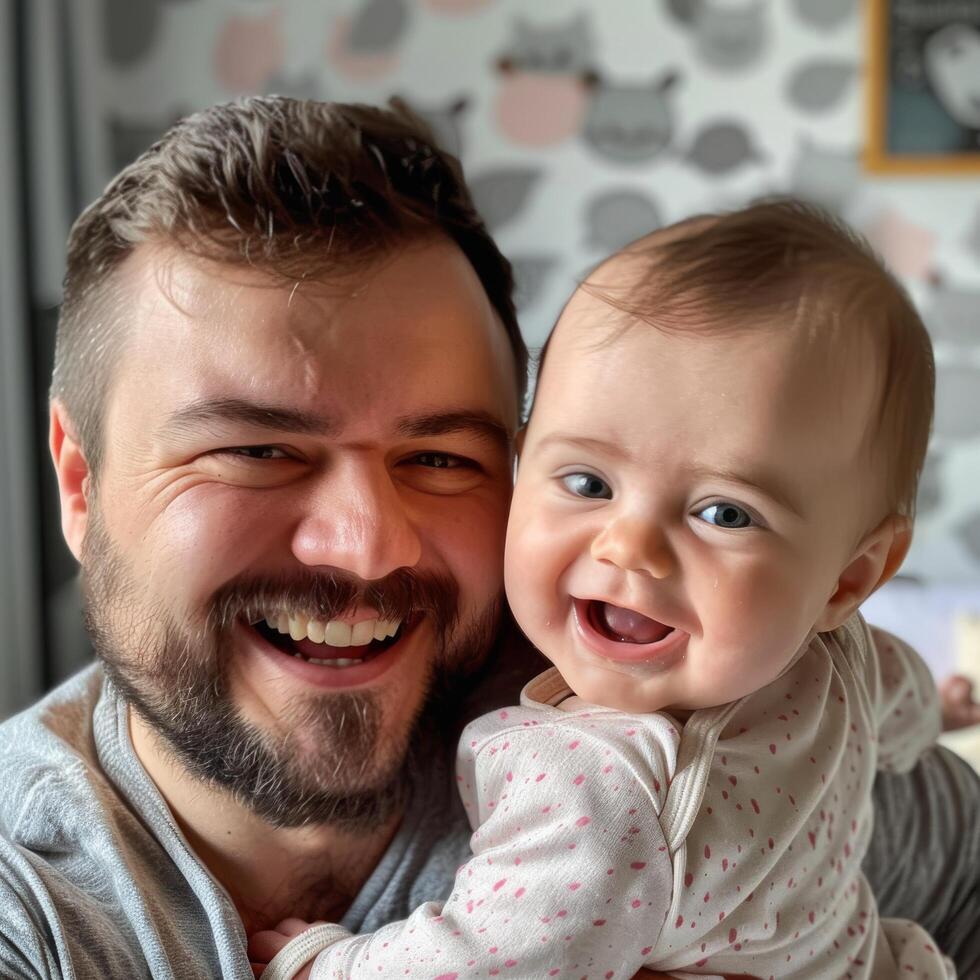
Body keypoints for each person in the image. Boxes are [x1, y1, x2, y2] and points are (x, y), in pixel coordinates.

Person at [0, 96, 974, 979]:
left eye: (440, 459)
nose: (365, 545)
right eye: (258, 449)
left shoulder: (694, 702)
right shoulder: (30, 899)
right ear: (79, 482)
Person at [255, 202, 960, 979]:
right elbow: (901, 697)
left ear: (849, 579)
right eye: (588, 482)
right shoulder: (840, 659)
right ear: (524, 469)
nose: (629, 546)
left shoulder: (602, 798)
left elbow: (476, 963)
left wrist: (319, 964)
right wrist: (936, 716)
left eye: (724, 513)